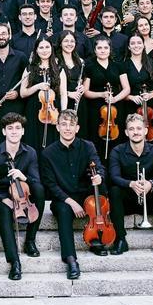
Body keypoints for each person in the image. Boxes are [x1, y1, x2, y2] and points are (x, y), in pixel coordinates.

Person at [39, 110, 105, 278]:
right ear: (58, 127)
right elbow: (50, 185)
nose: (68, 128)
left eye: (71, 125)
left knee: (101, 193)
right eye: (64, 124)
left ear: (77, 128)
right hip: (63, 198)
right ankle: (71, 259)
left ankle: (96, 238)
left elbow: (98, 166)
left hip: (84, 194)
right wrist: (71, 202)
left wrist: (99, 176)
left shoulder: (87, 146)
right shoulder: (48, 153)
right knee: (63, 211)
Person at [0, 113, 43, 280]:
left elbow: (35, 180)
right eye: (10, 128)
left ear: (23, 131)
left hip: (21, 194)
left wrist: (23, 176)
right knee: (4, 212)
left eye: (17, 128)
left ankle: (30, 240)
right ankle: (14, 262)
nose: (14, 132)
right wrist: (4, 199)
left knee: (39, 189)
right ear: (4, 132)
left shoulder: (30, 153)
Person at [106, 113, 153, 254]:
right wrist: (131, 184)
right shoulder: (117, 151)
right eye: (132, 129)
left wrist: (151, 184)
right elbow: (114, 176)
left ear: (145, 131)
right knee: (114, 190)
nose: (136, 132)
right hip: (128, 201)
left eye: (139, 128)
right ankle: (120, 239)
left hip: (150, 201)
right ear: (127, 132)